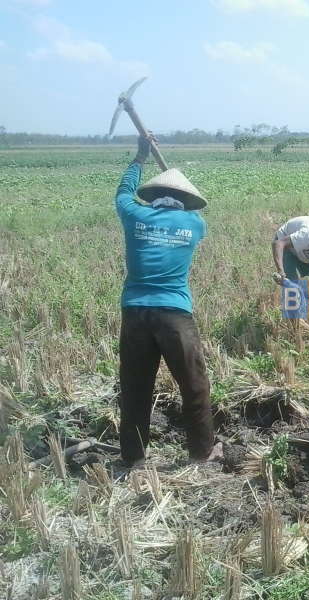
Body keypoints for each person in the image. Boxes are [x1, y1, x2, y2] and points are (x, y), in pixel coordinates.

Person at [115, 135, 220, 467]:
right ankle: (201, 453)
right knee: (194, 385)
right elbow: (196, 212)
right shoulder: (195, 224)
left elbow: (123, 192)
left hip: (135, 312)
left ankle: (133, 458)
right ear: (185, 200)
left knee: (135, 387)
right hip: (175, 314)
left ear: (154, 195)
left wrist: (139, 158)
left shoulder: (134, 214)